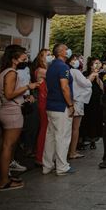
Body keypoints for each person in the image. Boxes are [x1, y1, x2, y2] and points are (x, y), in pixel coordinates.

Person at [0, 45, 41, 191]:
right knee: (8, 147)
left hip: (6, 110)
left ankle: (5, 177)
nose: (26, 56)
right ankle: (4, 181)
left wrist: (24, 95)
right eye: (23, 54)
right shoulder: (11, 73)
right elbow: (9, 94)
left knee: (7, 146)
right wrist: (28, 86)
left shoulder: (4, 71)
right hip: (11, 113)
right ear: (15, 58)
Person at [43, 44, 75, 176]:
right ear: (61, 52)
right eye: (66, 48)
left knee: (50, 137)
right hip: (61, 106)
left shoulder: (51, 66)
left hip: (51, 105)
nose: (68, 50)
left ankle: (47, 165)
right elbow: (64, 87)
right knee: (62, 137)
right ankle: (62, 166)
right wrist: (70, 105)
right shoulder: (63, 66)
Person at [67, 54, 96, 160]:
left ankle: (69, 150)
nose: (78, 61)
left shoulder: (68, 71)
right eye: (75, 59)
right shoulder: (75, 71)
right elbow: (86, 83)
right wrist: (92, 76)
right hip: (77, 100)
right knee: (75, 128)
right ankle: (72, 151)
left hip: (70, 100)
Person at [32, 48, 51, 166]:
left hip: (47, 101)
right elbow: (53, 76)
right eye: (47, 55)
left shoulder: (46, 69)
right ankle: (39, 156)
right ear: (41, 58)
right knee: (44, 129)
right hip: (43, 101)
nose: (50, 57)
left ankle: (44, 155)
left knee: (47, 129)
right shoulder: (41, 70)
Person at [81, 58, 103, 150]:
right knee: (85, 119)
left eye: (99, 63)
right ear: (91, 65)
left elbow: (102, 88)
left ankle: (93, 140)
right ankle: (82, 140)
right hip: (86, 100)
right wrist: (92, 75)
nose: (97, 65)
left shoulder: (101, 75)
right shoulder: (85, 74)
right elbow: (84, 84)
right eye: (95, 63)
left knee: (95, 119)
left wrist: (97, 77)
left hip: (96, 100)